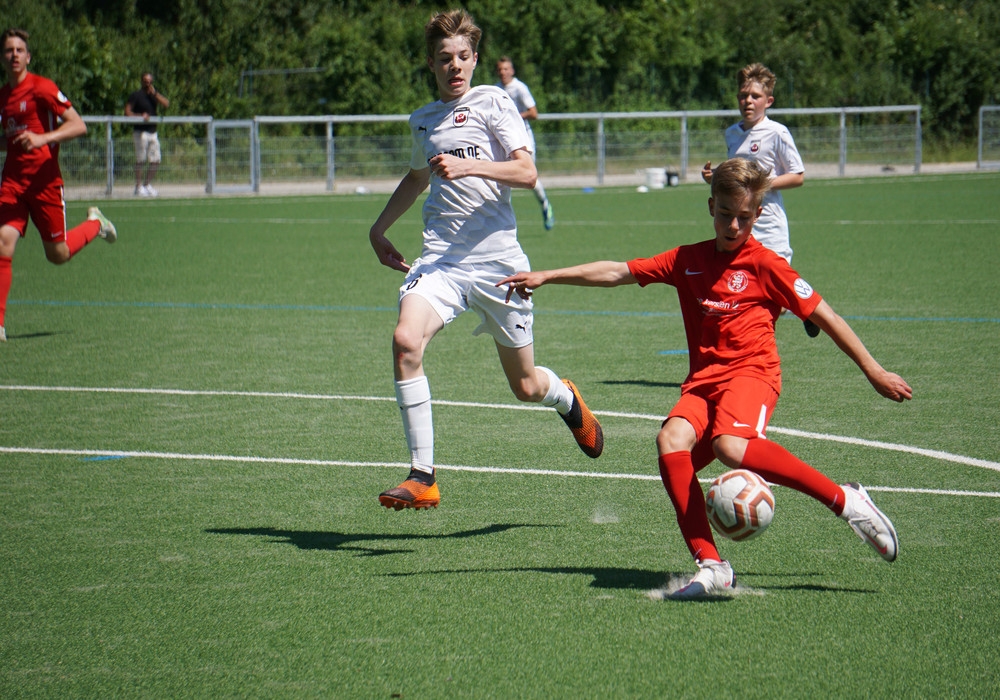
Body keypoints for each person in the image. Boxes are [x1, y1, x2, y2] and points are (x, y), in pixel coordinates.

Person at [499, 158, 912, 599]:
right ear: (711, 206)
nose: (734, 226)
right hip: (703, 383)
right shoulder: (688, 260)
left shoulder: (767, 265)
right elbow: (618, 271)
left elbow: (825, 316)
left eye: (744, 217)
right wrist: (549, 275)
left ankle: (847, 502)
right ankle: (712, 565)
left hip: (753, 375)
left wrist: (874, 370)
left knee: (729, 446)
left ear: (758, 214)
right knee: (670, 441)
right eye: (725, 214)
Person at [368, 9, 603, 511]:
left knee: (525, 385)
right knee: (405, 341)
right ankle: (423, 475)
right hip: (442, 262)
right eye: (444, 58)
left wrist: (468, 165)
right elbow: (417, 177)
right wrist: (379, 228)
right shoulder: (423, 119)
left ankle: (565, 397)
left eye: (462, 56)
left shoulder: (495, 101)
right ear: (431, 63)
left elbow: (527, 173)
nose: (454, 66)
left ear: (474, 59)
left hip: (499, 266)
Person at [0, 28, 117, 344]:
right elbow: (9, 139)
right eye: (9, 50)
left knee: (58, 254)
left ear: (28, 57)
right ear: (2, 58)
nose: (14, 55)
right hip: (12, 184)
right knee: (3, 242)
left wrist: (42, 139)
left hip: (45, 184)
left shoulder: (42, 88)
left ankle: (96, 224)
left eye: (19, 50)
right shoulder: (2, 97)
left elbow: (78, 125)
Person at [700, 63, 817, 337]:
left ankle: (808, 307)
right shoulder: (732, 133)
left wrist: (759, 185)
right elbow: (737, 178)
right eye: (743, 95)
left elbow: (797, 176)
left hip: (768, 220)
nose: (748, 101)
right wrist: (715, 178)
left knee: (776, 285)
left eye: (755, 96)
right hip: (739, 223)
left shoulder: (777, 132)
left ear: (769, 101)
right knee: (745, 284)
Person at [496, 56, 554, 230]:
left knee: (529, 176)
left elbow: (533, 113)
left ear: (512, 71)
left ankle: (545, 204)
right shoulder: (495, 90)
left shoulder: (519, 88)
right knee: (501, 178)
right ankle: (500, 218)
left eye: (506, 69)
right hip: (504, 140)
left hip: (523, 139)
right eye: (500, 69)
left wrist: (514, 117)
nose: (503, 72)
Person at [124, 72, 169, 197]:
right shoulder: (136, 96)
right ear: (141, 81)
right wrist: (140, 116)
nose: (147, 84)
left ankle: (147, 184)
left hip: (152, 132)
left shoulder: (154, 96)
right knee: (141, 159)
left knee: (156, 159)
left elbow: (166, 104)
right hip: (140, 132)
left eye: (149, 81)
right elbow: (127, 112)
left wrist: (155, 93)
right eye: (145, 81)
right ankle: (138, 186)